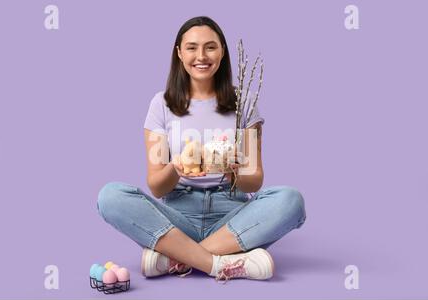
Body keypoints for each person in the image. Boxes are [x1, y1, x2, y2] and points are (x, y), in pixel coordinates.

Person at [97, 16, 306, 282]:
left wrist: (233, 174)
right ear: (179, 53)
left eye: (210, 47)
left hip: (231, 214)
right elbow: (157, 187)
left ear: (222, 51)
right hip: (177, 216)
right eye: (192, 47)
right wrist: (176, 167)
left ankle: (174, 258)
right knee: (111, 196)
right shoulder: (161, 104)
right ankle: (221, 264)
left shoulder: (244, 102)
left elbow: (254, 180)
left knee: (290, 200)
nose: (201, 56)